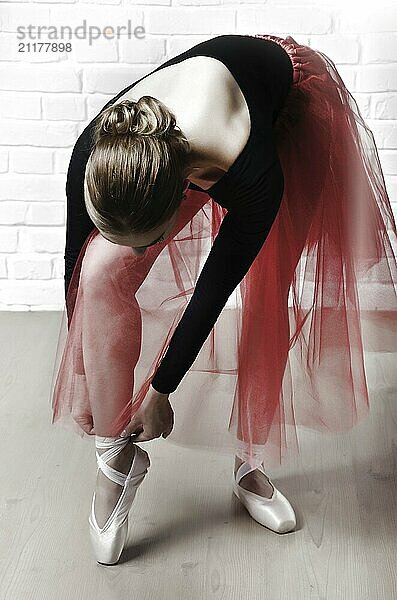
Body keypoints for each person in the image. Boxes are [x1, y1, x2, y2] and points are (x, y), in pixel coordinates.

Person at [50, 33, 397, 565]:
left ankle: (251, 463)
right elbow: (77, 266)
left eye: (150, 239)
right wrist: (79, 376)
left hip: (283, 112)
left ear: (187, 190)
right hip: (193, 127)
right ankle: (115, 460)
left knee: (268, 286)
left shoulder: (254, 172)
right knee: (100, 270)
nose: (148, 253)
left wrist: (162, 387)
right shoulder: (95, 152)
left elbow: (216, 284)